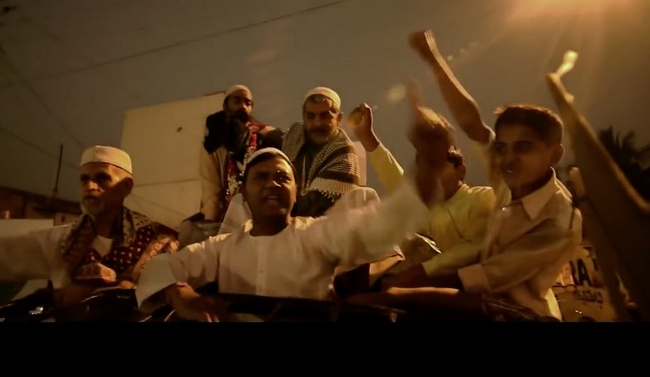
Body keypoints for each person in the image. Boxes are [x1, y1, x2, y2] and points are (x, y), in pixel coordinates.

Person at [135, 93, 455, 322]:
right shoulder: (221, 248)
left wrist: (428, 167)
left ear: (296, 191)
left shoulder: (317, 236)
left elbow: (385, 223)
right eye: (261, 178)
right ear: (244, 193)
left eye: (282, 178)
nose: (272, 184)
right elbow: (161, 266)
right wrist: (180, 294)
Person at [348, 30, 582, 321]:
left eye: (524, 148)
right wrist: (432, 58)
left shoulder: (549, 216)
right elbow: (473, 126)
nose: (509, 158)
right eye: (502, 148)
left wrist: (405, 287)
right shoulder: (495, 188)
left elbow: (484, 277)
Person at [0, 145, 180, 309]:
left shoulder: (158, 240)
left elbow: (173, 295)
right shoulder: (61, 241)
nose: (90, 186)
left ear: (126, 187)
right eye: (83, 179)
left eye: (101, 178)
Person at [347, 102, 495, 286]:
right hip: (426, 280)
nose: (432, 175)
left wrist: (420, 272)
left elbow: (473, 249)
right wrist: (366, 137)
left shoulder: (482, 198)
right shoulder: (424, 207)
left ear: (461, 170)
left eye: (438, 166)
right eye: (426, 169)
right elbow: (396, 181)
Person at [199, 84, 283, 224]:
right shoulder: (215, 141)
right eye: (237, 101)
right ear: (226, 106)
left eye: (247, 103)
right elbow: (211, 186)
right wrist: (210, 218)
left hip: (260, 210)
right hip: (229, 213)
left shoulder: (266, 135)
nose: (243, 106)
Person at [281, 87, 362, 217]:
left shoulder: (344, 153)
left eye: (325, 116)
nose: (317, 123)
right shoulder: (295, 135)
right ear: (304, 118)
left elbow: (316, 206)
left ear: (339, 118)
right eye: (311, 116)